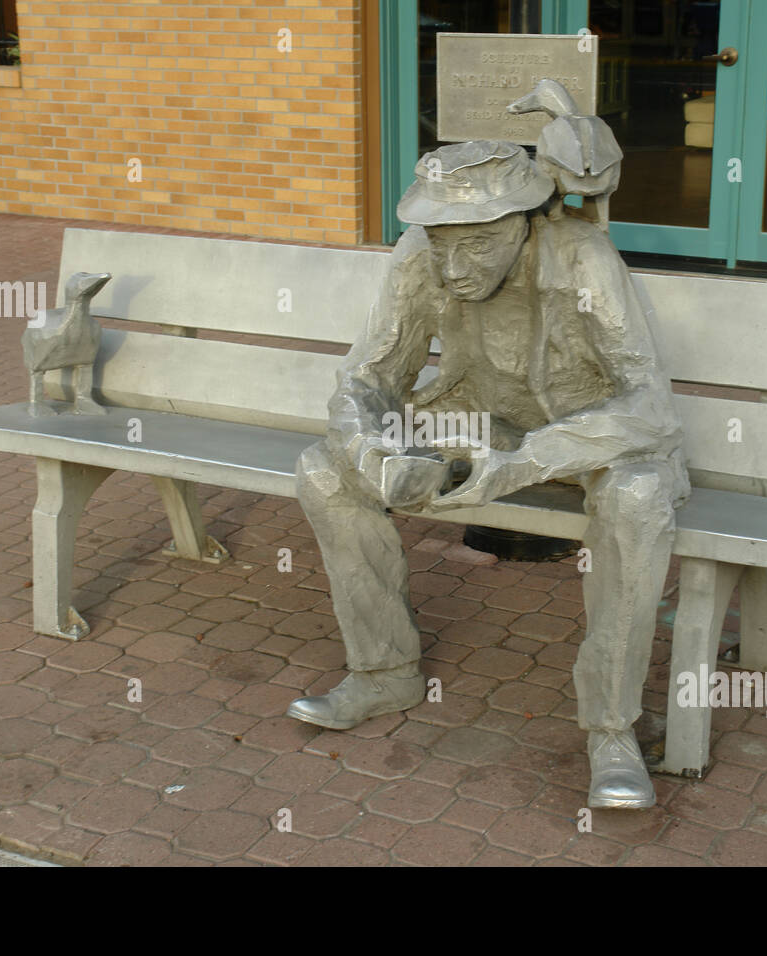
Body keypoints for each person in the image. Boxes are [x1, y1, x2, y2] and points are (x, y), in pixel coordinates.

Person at [287, 139, 689, 809]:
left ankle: (611, 731)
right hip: (480, 431)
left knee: (638, 500)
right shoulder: (422, 258)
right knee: (324, 472)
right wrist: (374, 454)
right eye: (441, 241)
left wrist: (522, 464)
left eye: (476, 244)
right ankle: (384, 670)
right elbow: (368, 376)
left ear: (527, 223)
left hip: (591, 441)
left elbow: (649, 407)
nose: (454, 264)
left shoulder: (584, 259)